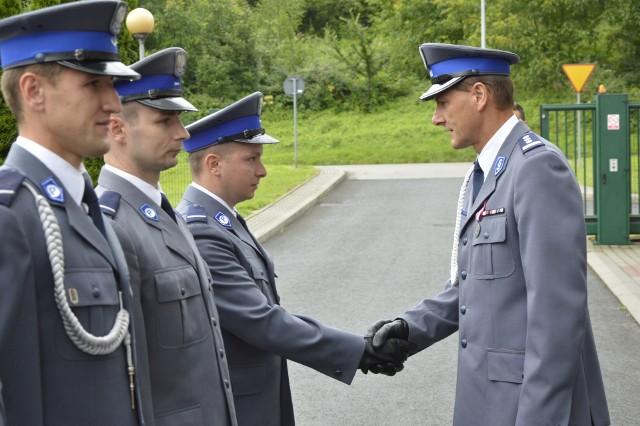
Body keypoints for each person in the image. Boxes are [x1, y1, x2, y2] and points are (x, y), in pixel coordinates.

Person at [367, 43, 610, 425]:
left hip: (527, 409)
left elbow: (557, 319)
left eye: (443, 102)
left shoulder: (536, 168)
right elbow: (477, 285)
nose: (436, 118)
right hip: (489, 401)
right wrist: (409, 329)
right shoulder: (489, 173)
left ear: (478, 95)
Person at [177, 92, 407, 426]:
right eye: (251, 159)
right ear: (214, 164)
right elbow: (262, 320)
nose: (263, 170)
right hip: (238, 409)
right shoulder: (203, 232)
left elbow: (268, 314)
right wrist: (359, 350)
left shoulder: (223, 221)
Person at [0, 2, 146, 425]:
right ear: (33, 91)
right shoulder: (12, 217)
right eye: (94, 85)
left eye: (112, 86)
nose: (114, 103)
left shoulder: (81, 200)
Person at [96, 47, 238, 425]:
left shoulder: (163, 211)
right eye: (165, 121)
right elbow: (118, 378)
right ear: (117, 128)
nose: (183, 132)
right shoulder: (112, 224)